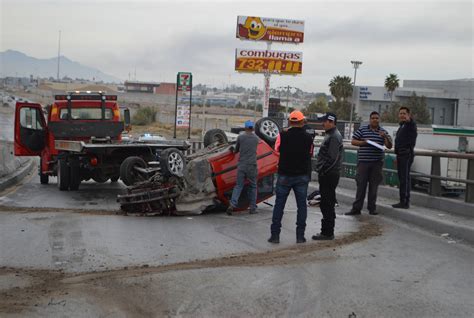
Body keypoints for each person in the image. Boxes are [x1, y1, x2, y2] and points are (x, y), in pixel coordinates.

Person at [268, 110, 314, 244]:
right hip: (301, 176)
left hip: (284, 175)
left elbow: (276, 150)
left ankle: (275, 235)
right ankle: (300, 236)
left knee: (279, 206)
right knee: (302, 207)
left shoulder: (282, 135)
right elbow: (310, 153)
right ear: (302, 122)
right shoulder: (308, 138)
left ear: (290, 121)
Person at [345, 111, 393, 216]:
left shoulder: (383, 131)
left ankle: (372, 208)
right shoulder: (363, 130)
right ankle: (356, 209)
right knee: (361, 186)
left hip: (376, 163)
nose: (375, 120)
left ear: (379, 120)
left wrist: (385, 137)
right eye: (373, 118)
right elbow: (353, 141)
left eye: (377, 118)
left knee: (373, 187)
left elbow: (389, 146)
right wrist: (363, 142)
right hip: (363, 163)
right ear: (370, 119)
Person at [312, 112, 343, 240]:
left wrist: (323, 171)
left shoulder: (334, 136)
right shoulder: (331, 135)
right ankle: (327, 230)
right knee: (326, 202)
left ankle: (327, 232)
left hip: (329, 174)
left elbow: (333, 158)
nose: (322, 123)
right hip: (328, 173)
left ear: (331, 122)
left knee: (327, 202)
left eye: (324, 121)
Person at [227, 120, 260, 215]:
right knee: (253, 186)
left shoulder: (240, 137)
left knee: (238, 186)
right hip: (252, 165)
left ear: (245, 128)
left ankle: (232, 205)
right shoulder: (256, 138)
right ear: (253, 128)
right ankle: (252, 208)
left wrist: (232, 149)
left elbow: (236, 150)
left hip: (242, 165)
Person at [392, 106, 417, 209]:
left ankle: (405, 202)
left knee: (404, 179)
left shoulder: (410, 125)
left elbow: (412, 125)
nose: (402, 115)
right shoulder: (402, 126)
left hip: (406, 154)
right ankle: (403, 200)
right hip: (401, 155)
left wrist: (409, 120)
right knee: (402, 178)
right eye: (400, 113)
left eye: (404, 113)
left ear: (408, 115)